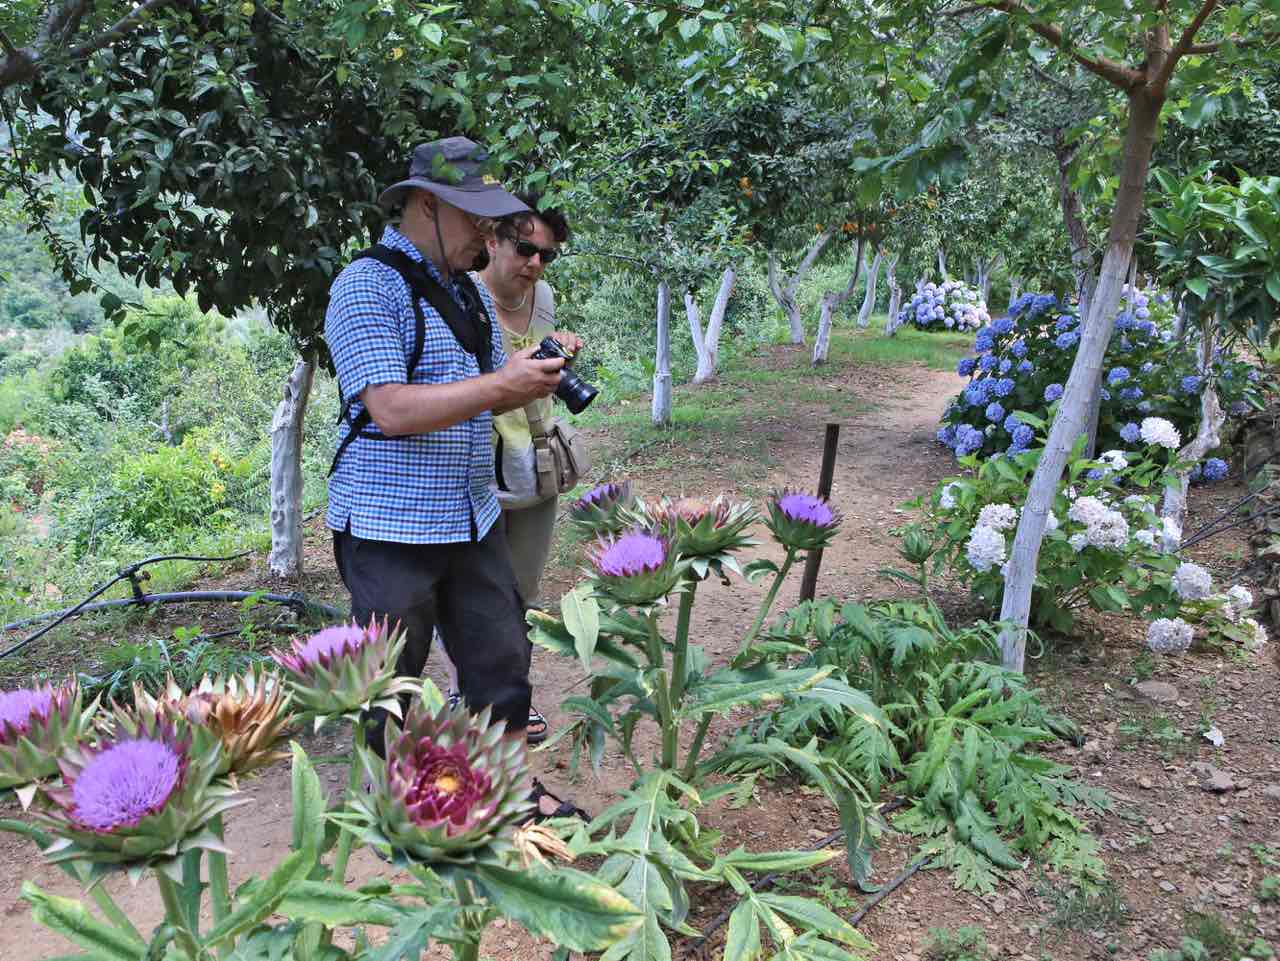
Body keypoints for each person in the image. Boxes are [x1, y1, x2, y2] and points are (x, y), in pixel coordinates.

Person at [323, 138, 581, 784]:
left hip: (471, 514)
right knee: (388, 687)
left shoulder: (466, 294)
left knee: (502, 660)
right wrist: (501, 386)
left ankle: (511, 800)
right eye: (479, 220)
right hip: (391, 527)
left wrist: (522, 375)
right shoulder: (365, 286)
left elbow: (483, 383)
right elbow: (390, 408)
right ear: (427, 205)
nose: (488, 238)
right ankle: (393, 821)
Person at [437, 195, 572, 743]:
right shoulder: (462, 297)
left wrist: (558, 351)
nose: (535, 263)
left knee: (522, 588)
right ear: (490, 241)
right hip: (476, 461)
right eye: (525, 248)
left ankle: (512, 693)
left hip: (533, 457)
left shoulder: (543, 298)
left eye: (546, 255)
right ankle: (461, 691)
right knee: (471, 588)